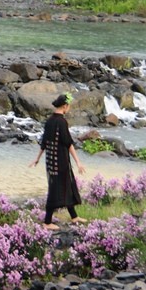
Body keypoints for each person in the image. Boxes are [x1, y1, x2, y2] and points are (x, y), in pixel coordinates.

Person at [30, 93, 86, 230]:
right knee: (57, 190)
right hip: (60, 161)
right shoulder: (62, 122)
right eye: (69, 106)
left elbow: (44, 142)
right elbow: (68, 143)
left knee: (64, 186)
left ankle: (74, 216)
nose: (69, 109)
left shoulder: (49, 121)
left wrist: (37, 159)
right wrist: (78, 162)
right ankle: (47, 222)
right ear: (65, 106)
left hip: (50, 161)